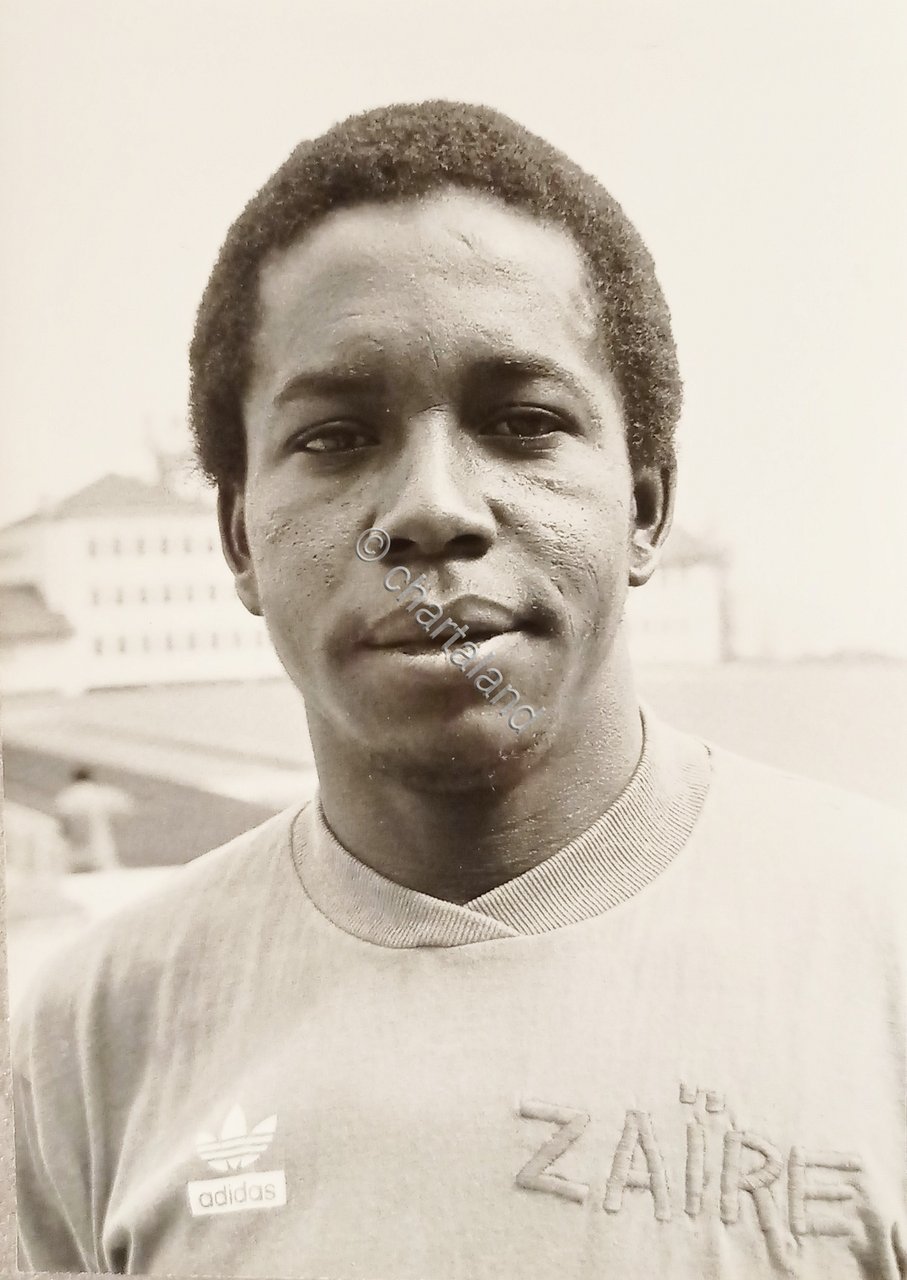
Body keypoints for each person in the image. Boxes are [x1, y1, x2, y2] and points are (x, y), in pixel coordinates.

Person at [12, 101, 906, 1279]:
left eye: (523, 422)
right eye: (335, 436)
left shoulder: (880, 951)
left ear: (644, 504)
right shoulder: (93, 1036)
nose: (431, 506)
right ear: (237, 535)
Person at [53, 765, 132, 873]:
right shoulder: (99, 794)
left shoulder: (65, 798)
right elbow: (126, 805)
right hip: (100, 853)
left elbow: (61, 829)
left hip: (74, 855)